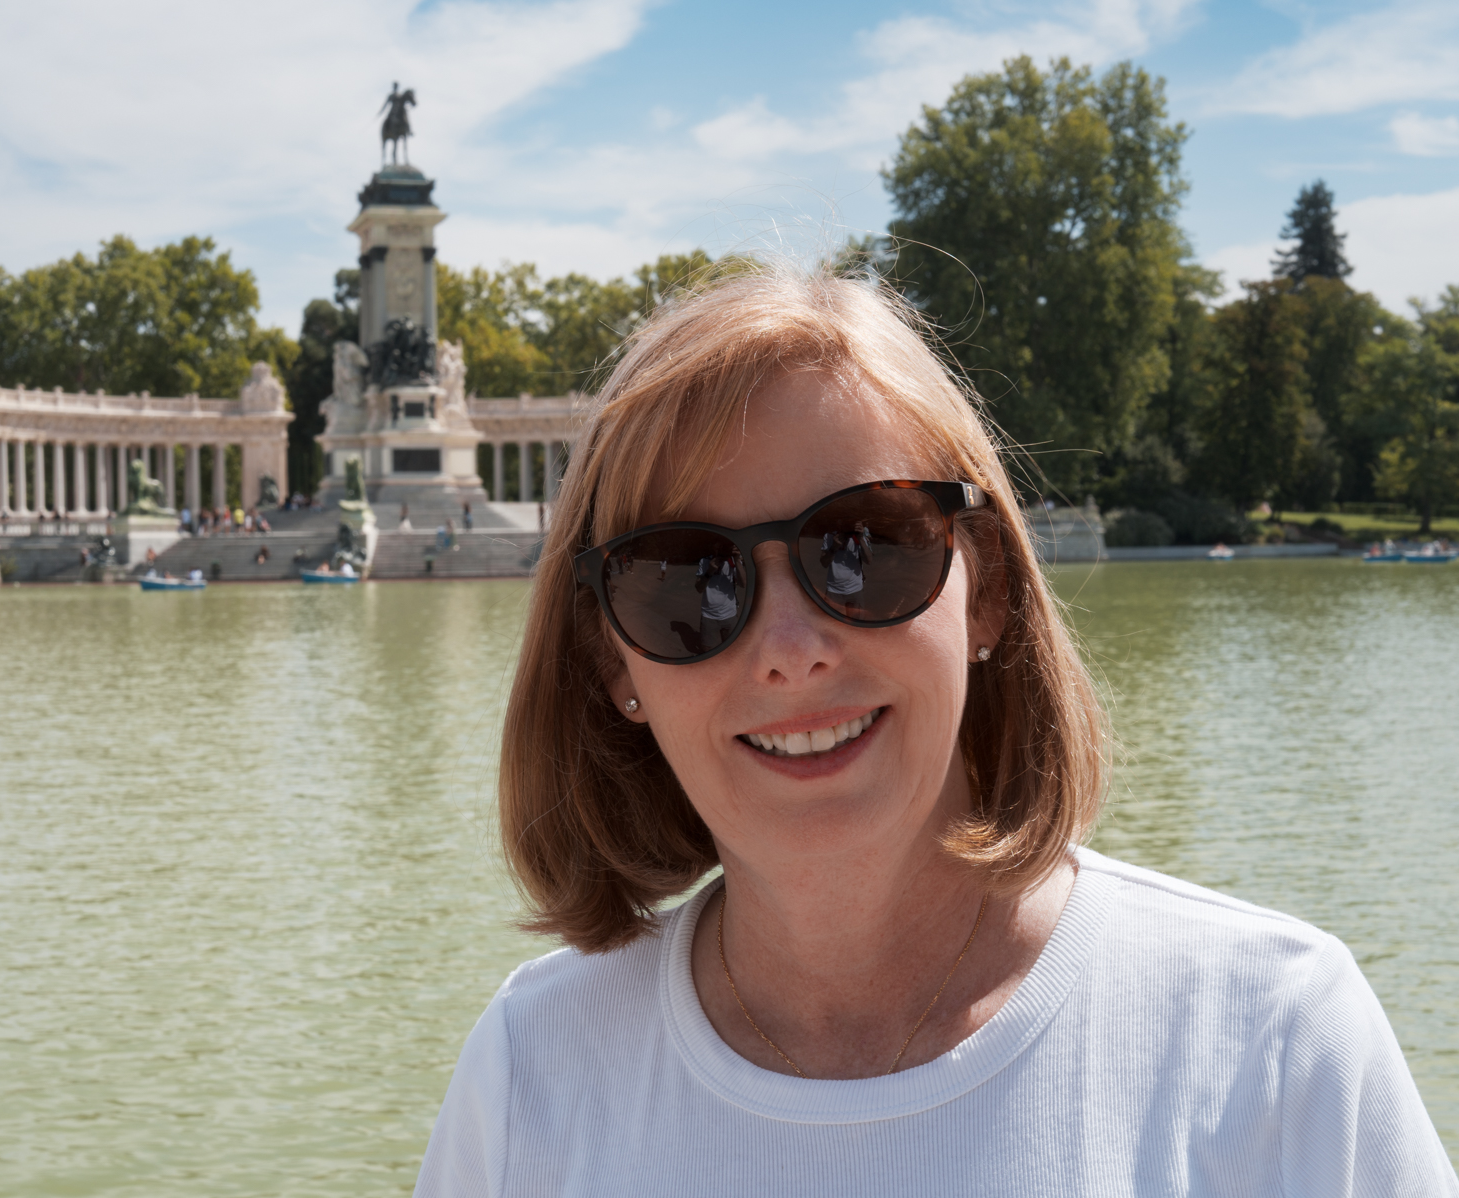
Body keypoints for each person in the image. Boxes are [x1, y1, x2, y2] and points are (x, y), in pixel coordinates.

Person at [414, 267, 1456, 1196]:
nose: (790, 649)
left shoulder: (1275, 1038)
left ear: (988, 587)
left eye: (865, 543)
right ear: (611, 660)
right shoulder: (531, 1068)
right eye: (688, 579)